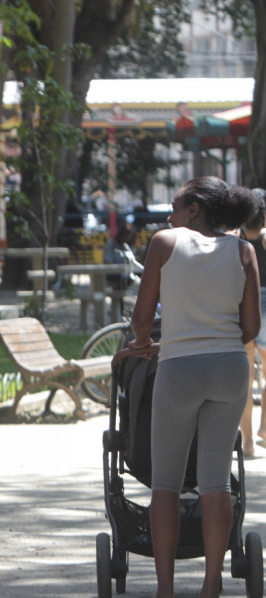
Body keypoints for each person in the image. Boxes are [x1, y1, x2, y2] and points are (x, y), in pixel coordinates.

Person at [113, 176, 261, 598]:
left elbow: (141, 320)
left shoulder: (165, 242)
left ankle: (165, 589)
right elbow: (251, 328)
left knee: (166, 483)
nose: (170, 216)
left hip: (178, 370)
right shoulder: (244, 251)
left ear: (193, 208)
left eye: (175, 208)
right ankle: (211, 584)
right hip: (230, 369)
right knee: (217, 482)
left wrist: (143, 344)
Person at [238, 188, 266, 457]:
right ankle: (264, 428)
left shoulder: (235, 237)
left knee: (244, 377)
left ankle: (247, 443)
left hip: (243, 303)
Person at [103, 222, 145, 321]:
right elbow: (107, 262)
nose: (127, 238)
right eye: (125, 235)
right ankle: (122, 313)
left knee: (144, 277)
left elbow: (133, 263)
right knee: (121, 285)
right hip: (114, 275)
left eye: (130, 236)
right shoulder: (111, 244)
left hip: (128, 275)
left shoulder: (129, 247)